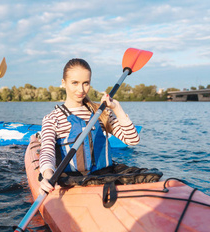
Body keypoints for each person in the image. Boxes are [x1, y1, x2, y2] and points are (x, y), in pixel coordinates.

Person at [39, 58, 140, 193]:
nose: (81, 89)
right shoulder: (52, 118)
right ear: (63, 83)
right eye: (74, 83)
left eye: (85, 83)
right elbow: (47, 150)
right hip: (72, 183)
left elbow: (132, 140)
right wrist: (47, 174)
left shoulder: (101, 113)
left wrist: (116, 108)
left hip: (105, 179)